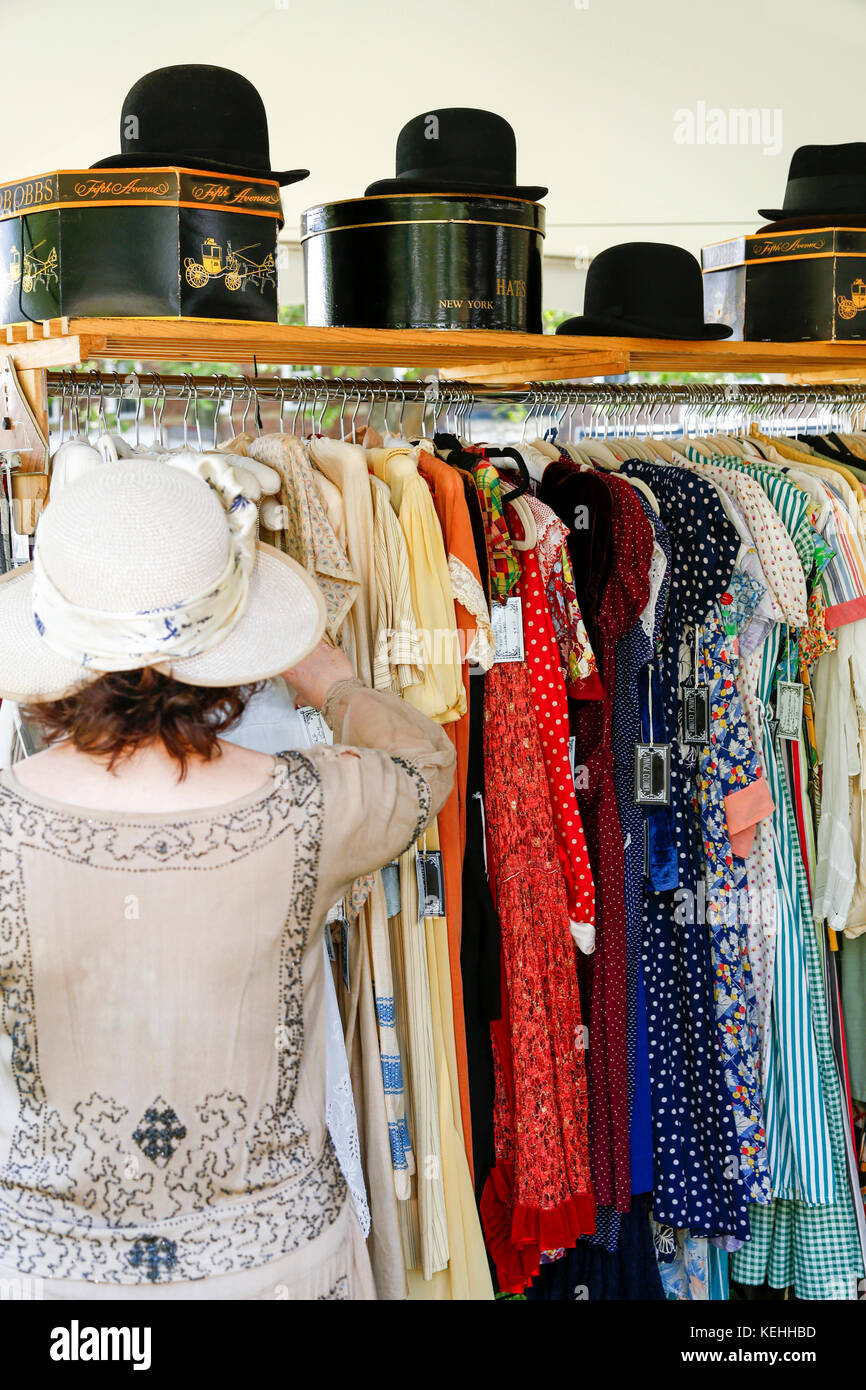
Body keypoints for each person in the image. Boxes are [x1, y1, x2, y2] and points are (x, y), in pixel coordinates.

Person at [0, 456, 455, 1300]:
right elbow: (426, 760)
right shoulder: (314, 805)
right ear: (229, 641)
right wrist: (330, 678)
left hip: (60, 1283)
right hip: (271, 1269)